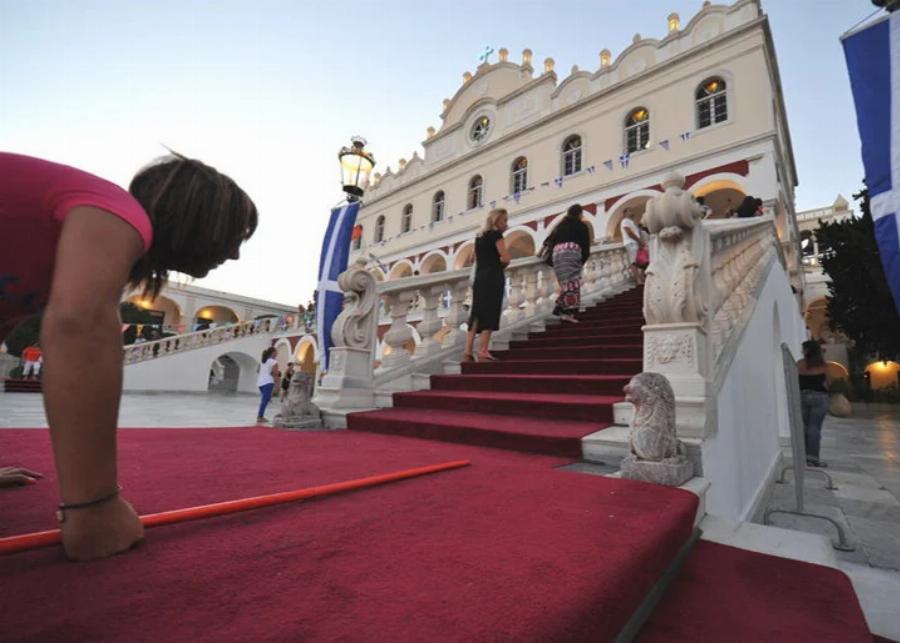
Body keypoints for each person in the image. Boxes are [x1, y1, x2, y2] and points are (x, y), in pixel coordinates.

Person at [0, 151, 258, 561]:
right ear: (198, 220)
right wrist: (92, 507)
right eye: (234, 235)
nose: (234, 255)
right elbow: (78, 328)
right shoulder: (115, 212)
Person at [462, 208, 510, 362]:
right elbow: (506, 258)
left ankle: (467, 351)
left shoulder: (479, 236)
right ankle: (483, 350)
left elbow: (471, 259)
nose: (506, 224)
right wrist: (498, 264)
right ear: (497, 221)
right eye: (504, 220)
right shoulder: (496, 235)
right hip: (493, 277)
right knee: (490, 311)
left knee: (477, 312)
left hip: (480, 278)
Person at [547, 204, 591, 323]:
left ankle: (560, 308)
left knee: (565, 283)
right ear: (579, 214)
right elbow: (585, 246)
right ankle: (568, 312)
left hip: (558, 255)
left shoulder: (560, 226)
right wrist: (582, 261)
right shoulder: (581, 226)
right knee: (573, 284)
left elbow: (549, 241)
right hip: (572, 253)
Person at [797, 340, 831, 468]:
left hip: (803, 396)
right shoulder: (823, 366)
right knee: (815, 428)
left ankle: (805, 457)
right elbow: (829, 383)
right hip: (819, 397)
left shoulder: (800, 364)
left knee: (805, 427)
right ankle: (813, 458)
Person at [619, 210, 645, 285]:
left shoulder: (631, 222)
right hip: (631, 243)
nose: (632, 212)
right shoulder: (625, 221)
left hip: (635, 243)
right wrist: (639, 241)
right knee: (633, 261)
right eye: (630, 210)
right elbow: (629, 232)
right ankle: (638, 280)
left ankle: (641, 277)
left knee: (641, 260)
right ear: (625, 213)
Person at [256, 347, 281, 423]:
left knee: (265, 400)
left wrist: (266, 372)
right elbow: (275, 374)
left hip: (260, 383)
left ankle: (260, 416)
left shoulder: (262, 361)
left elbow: (257, 371)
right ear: (272, 352)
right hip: (268, 382)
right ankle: (260, 417)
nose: (277, 353)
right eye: (276, 352)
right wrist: (278, 385)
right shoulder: (273, 362)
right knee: (265, 400)